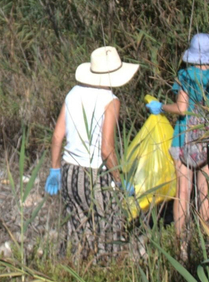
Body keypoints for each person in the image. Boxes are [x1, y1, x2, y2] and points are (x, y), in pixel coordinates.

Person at [47, 45, 140, 255]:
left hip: (70, 172)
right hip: (95, 176)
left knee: (76, 232)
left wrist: (54, 169)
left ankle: (74, 272)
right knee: (107, 231)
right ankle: (105, 276)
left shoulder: (73, 93)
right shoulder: (111, 101)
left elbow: (57, 136)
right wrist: (118, 180)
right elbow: (106, 149)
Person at [153, 33, 209, 259]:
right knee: (205, 193)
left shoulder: (186, 75)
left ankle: (182, 249)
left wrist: (162, 106)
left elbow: (182, 108)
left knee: (183, 193)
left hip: (185, 139)